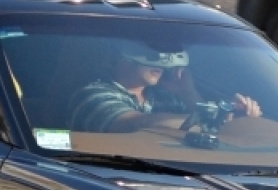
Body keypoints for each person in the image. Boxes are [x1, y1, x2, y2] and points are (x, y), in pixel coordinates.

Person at [68, 42, 261, 133]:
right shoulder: (93, 95)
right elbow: (136, 124)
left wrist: (189, 93)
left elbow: (195, 126)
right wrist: (218, 120)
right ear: (114, 59)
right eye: (149, 51)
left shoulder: (165, 98)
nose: (161, 60)